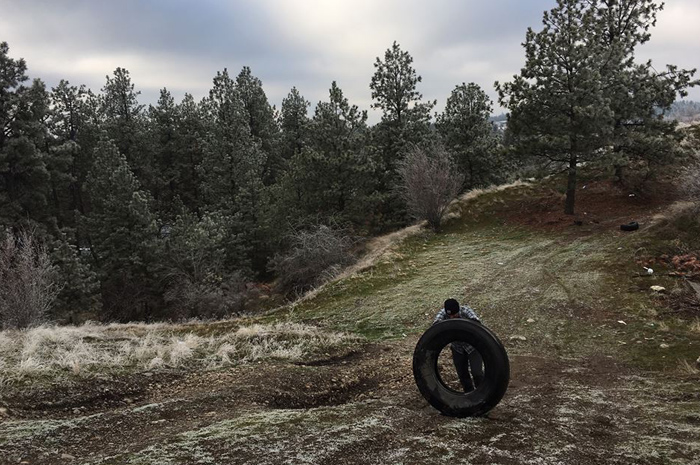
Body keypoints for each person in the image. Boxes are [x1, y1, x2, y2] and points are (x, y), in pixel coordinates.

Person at [433, 298, 484, 392]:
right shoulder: (443, 314)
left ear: (458, 310)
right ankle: (469, 394)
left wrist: (466, 327)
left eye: (454, 314)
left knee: (477, 372)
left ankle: (482, 392)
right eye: (450, 315)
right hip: (457, 348)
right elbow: (435, 326)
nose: (452, 317)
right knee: (462, 373)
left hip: (472, 347)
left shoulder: (466, 311)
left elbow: (477, 324)